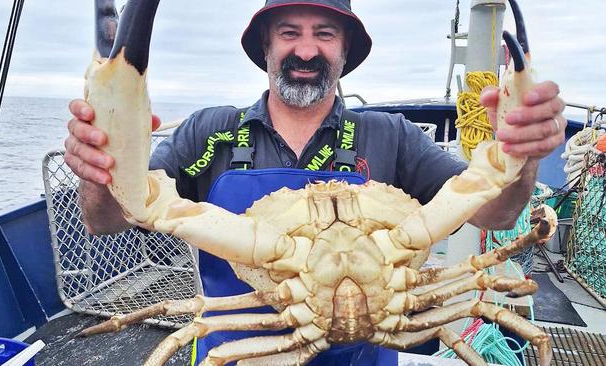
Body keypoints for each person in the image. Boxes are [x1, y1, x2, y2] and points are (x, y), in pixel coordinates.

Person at [65, 0, 567, 364]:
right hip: (242, 351)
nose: (306, 49)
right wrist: (99, 170)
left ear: (345, 50)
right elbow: (112, 215)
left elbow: (494, 212)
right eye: (289, 32)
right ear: (266, 46)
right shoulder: (209, 133)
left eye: (325, 34)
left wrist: (521, 154)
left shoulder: (391, 135)